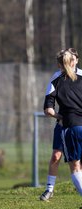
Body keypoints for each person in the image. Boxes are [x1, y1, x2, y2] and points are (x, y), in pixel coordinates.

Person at [40, 48, 80, 201]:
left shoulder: (81, 76)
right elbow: (48, 108)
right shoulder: (56, 78)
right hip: (64, 124)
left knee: (76, 162)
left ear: (76, 60)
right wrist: (60, 117)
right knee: (56, 155)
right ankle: (49, 189)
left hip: (75, 124)